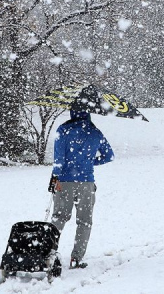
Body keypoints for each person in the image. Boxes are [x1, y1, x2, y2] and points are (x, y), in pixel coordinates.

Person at [48, 109, 114, 269]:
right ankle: (76, 258)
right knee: (84, 221)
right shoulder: (95, 132)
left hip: (64, 181)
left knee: (59, 218)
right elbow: (109, 156)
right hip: (86, 183)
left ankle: (47, 253)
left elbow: (59, 159)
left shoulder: (63, 130)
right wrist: (90, 161)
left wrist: (55, 176)